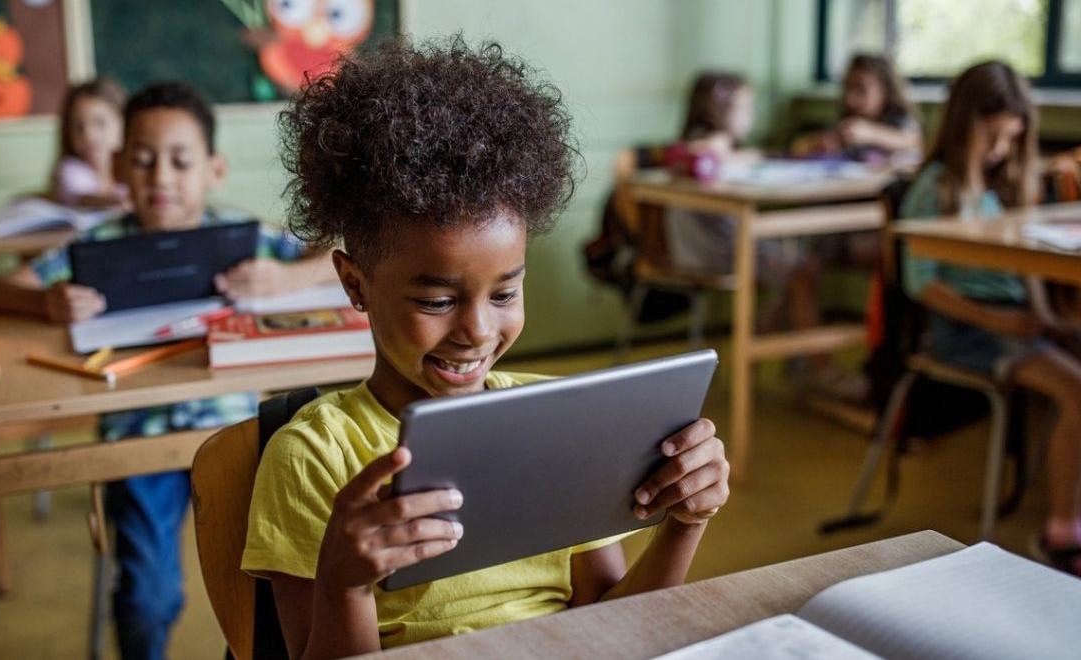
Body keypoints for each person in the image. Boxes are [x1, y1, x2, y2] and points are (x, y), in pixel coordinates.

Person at [241, 37, 732, 658]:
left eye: (505, 294)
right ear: (354, 284)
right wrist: (345, 586)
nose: (476, 331)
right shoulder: (314, 455)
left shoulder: (555, 421)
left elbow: (617, 628)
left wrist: (686, 523)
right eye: (438, 301)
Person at [0, 81, 337, 658]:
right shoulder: (94, 247)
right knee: (148, 595)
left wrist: (289, 277)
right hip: (137, 438)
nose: (161, 177)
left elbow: (335, 252)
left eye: (180, 160)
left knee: (279, 581)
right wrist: (47, 301)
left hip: (235, 436)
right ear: (118, 166)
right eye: (142, 159)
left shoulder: (238, 238)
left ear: (213, 168)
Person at [899, 60, 1081, 580]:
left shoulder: (1003, 186)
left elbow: (1026, 266)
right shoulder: (936, 187)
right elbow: (920, 283)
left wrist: (1048, 317)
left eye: (1012, 139)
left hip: (1017, 321)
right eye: (994, 137)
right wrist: (999, 322)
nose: (1002, 150)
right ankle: (1062, 532)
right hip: (966, 333)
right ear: (965, 124)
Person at [613, 72, 867, 400]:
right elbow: (699, 156)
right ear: (719, 110)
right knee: (802, 268)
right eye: (745, 107)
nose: (752, 114)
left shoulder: (711, 145)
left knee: (797, 265)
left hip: (700, 247)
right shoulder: (706, 145)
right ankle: (818, 366)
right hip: (707, 251)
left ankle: (756, 352)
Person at [792, 53, 922, 166]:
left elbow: (914, 142)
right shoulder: (848, 117)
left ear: (886, 91)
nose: (850, 98)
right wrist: (824, 144)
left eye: (861, 90)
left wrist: (871, 133)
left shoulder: (898, 117)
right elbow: (800, 146)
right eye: (847, 88)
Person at [50, 78, 129, 207]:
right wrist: (117, 202)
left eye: (100, 123)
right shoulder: (71, 170)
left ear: (125, 123)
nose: (89, 136)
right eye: (78, 127)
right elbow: (79, 197)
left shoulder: (134, 172)